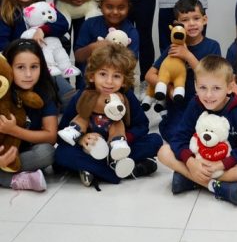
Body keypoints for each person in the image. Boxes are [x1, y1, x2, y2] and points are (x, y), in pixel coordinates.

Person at [157, 55, 237, 206]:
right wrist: (191, 162)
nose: (208, 95)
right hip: (199, 160)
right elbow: (179, 139)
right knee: (163, 152)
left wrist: (221, 165)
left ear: (229, 87)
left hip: (227, 165)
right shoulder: (195, 104)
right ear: (195, 85)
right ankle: (216, 186)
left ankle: (191, 179)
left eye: (216, 88)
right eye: (203, 87)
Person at [54, 44, 162, 188]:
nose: (109, 81)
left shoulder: (127, 96)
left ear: (124, 80)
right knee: (61, 153)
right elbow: (63, 129)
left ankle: (94, 168)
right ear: (92, 76)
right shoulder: (82, 96)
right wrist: (81, 139)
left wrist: (122, 139)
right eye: (103, 74)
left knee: (155, 141)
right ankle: (116, 171)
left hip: (118, 147)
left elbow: (142, 125)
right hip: (91, 148)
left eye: (116, 76)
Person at [145, 0, 221, 141]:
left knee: (209, 135)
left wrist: (187, 55)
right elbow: (149, 75)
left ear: (204, 20)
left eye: (196, 18)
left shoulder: (212, 46)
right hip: (179, 105)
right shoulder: (174, 47)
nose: (191, 24)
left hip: (205, 103)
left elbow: (210, 77)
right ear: (177, 25)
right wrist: (169, 89)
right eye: (185, 20)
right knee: (176, 136)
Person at [0, 39, 59, 192]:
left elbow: (51, 136)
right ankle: (11, 178)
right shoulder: (3, 92)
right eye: (20, 67)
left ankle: (7, 174)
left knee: (48, 152)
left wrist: (13, 130)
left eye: (34, 67)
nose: (28, 74)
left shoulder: (44, 93)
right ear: (8, 67)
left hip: (25, 152)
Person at [74, 0, 140, 78]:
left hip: (119, 84)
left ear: (128, 7)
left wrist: (117, 51)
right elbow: (78, 57)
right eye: (109, 7)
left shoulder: (131, 32)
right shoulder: (89, 24)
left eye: (121, 8)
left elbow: (131, 64)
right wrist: (93, 47)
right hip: (88, 82)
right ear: (101, 5)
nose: (115, 12)